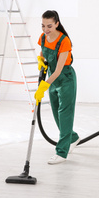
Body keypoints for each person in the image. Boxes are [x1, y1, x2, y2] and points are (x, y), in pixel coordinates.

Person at [34, 10, 80, 165]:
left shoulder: (64, 41)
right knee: (56, 114)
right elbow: (43, 54)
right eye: (43, 26)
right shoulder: (43, 37)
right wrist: (41, 60)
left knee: (65, 114)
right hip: (52, 79)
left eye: (49, 26)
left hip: (65, 79)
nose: (46, 29)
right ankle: (72, 138)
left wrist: (43, 87)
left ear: (57, 24)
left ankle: (61, 152)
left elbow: (59, 69)